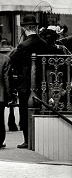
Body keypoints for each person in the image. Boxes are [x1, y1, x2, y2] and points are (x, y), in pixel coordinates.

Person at [9, 15, 53, 150]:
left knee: (25, 111)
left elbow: (13, 61)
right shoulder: (43, 43)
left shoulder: (23, 45)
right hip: (42, 82)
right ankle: (40, 138)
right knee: (40, 109)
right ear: (36, 27)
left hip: (25, 83)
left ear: (24, 28)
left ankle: (28, 140)